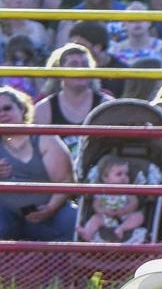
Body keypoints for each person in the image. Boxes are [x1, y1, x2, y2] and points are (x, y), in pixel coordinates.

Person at [0, 85, 76, 241]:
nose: (2, 114)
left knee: (71, 219)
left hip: (49, 212)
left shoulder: (45, 138)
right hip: (6, 215)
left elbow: (66, 181)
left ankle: (69, 265)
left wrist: (49, 209)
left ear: (22, 109)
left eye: (7, 108)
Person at [33, 43, 111, 155]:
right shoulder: (43, 109)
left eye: (85, 65)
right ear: (59, 71)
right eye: (73, 65)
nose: (80, 70)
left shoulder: (106, 104)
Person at [77, 154, 145, 242]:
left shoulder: (127, 190)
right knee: (96, 218)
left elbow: (134, 202)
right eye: (119, 174)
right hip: (107, 218)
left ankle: (121, 229)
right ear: (105, 178)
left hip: (125, 217)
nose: (124, 177)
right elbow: (96, 205)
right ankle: (87, 232)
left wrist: (125, 210)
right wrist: (104, 211)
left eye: (126, 174)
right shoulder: (102, 191)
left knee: (139, 216)